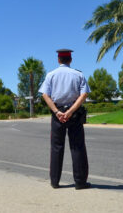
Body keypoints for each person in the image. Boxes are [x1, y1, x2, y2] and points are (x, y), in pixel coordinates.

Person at [39, 48, 91, 190]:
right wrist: (70, 111)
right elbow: (84, 94)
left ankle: (55, 182)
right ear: (71, 60)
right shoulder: (78, 75)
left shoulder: (51, 75)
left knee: (56, 148)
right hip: (74, 114)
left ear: (58, 60)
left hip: (57, 115)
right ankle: (80, 182)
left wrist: (57, 112)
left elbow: (45, 95)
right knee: (77, 147)